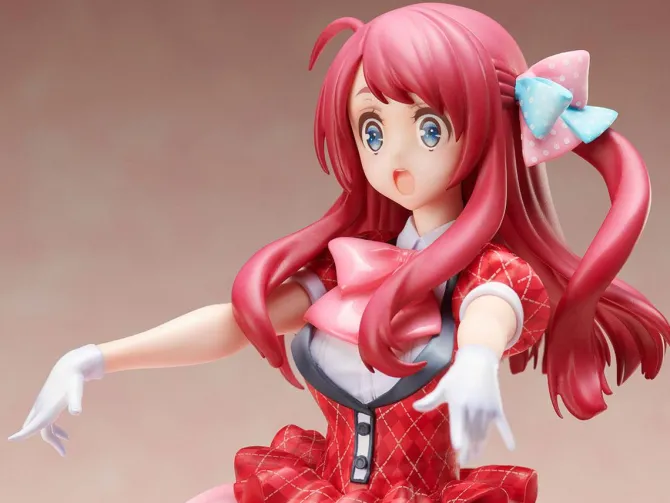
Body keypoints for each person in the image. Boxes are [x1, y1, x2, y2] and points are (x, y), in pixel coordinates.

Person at [9, 4, 669, 503]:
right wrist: (95, 358)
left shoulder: (487, 274)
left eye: (428, 127)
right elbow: (236, 323)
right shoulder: (346, 265)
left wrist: (476, 359)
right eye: (372, 129)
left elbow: (491, 310)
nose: (394, 157)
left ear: (485, 132)